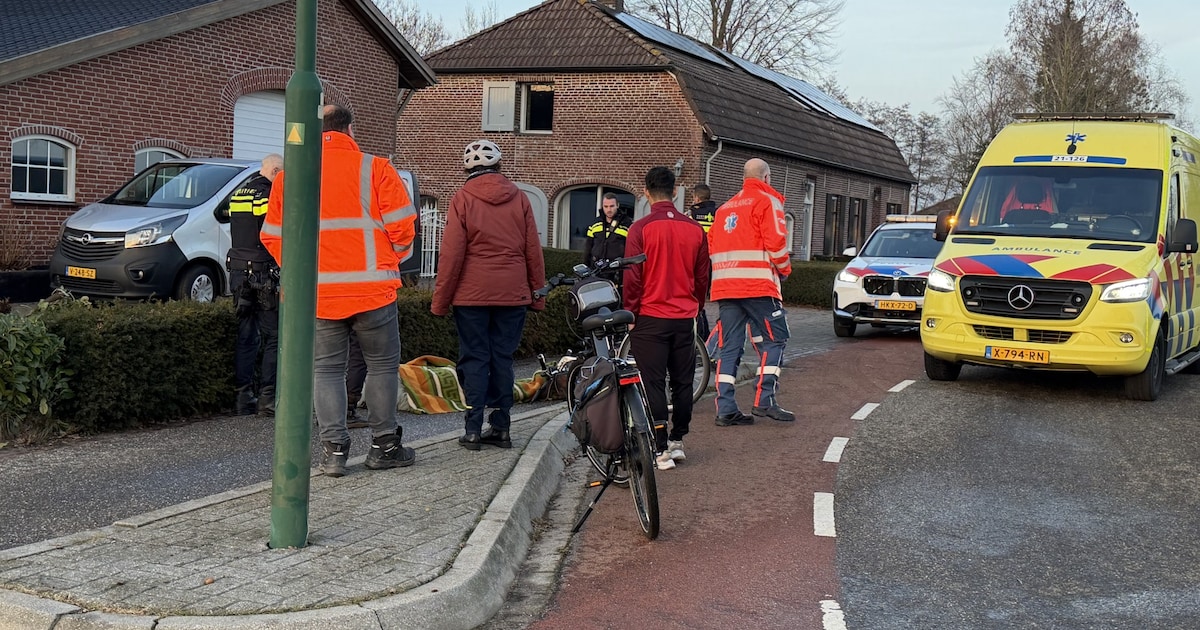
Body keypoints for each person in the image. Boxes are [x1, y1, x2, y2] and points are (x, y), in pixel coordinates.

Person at [261, 104, 417, 477]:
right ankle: (384, 446)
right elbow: (403, 228)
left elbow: (273, 237)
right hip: (374, 291)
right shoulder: (375, 168)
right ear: (350, 129)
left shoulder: (290, 176)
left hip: (320, 294)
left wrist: (304, 274)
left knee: (326, 370)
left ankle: (334, 454)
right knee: (380, 366)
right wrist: (389, 262)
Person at [432, 139, 545, 451]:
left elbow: (452, 255)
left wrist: (440, 301)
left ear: (467, 169)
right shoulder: (520, 198)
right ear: (499, 167)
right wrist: (537, 294)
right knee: (502, 358)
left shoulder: (462, 199)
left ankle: (472, 430)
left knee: (475, 357)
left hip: (471, 296)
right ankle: (501, 426)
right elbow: (532, 251)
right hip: (513, 294)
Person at [623, 166, 710, 470]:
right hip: (683, 317)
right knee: (683, 380)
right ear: (675, 191)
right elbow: (702, 277)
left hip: (649, 315)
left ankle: (660, 449)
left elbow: (633, 278)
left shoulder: (640, 229)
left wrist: (630, 313)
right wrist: (696, 306)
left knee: (654, 382)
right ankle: (678, 440)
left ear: (645, 192)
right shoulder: (695, 229)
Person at [708, 158, 795, 425]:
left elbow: (711, 244)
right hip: (758, 285)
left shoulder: (724, 208)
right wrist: (784, 269)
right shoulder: (768, 202)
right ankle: (764, 400)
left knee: (729, 347)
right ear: (767, 178)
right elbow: (777, 242)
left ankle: (725, 408)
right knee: (776, 339)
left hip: (725, 286)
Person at [226, 153, 283, 416]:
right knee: (273, 337)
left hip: (238, 274)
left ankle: (242, 398)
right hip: (263, 274)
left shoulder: (239, 192)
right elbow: (271, 231)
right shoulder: (268, 194)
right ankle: (267, 400)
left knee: (247, 336)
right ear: (275, 171)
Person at [688, 183, 718, 341]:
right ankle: (707, 339)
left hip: (697, 264)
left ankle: (700, 336)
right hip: (716, 263)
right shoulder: (719, 214)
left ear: (696, 198)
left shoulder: (691, 215)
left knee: (696, 302)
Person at [584, 193, 630, 277]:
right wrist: (586, 267)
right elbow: (588, 248)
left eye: (612, 206)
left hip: (617, 271)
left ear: (617, 205)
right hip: (596, 270)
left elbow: (630, 250)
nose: (609, 209)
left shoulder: (627, 224)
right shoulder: (595, 223)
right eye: (606, 206)